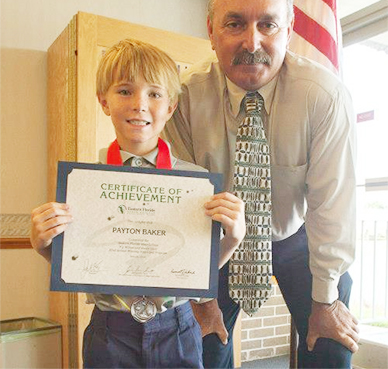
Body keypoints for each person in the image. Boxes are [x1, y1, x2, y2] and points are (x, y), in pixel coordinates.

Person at [164, 0, 360, 368]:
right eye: (235, 23)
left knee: (331, 346)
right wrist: (200, 301)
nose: (252, 42)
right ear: (211, 31)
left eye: (268, 24)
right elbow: (181, 206)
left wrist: (325, 301)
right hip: (214, 239)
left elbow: (332, 205)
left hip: (298, 234)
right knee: (202, 348)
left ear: (288, 31)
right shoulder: (182, 100)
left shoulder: (323, 96)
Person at [30, 38, 246, 369]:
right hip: (110, 330)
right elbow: (74, 263)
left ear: (171, 106)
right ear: (104, 101)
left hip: (176, 327)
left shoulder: (197, 183)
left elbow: (197, 269)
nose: (139, 104)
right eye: (125, 91)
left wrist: (233, 237)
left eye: (154, 94)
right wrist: (43, 244)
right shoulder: (85, 186)